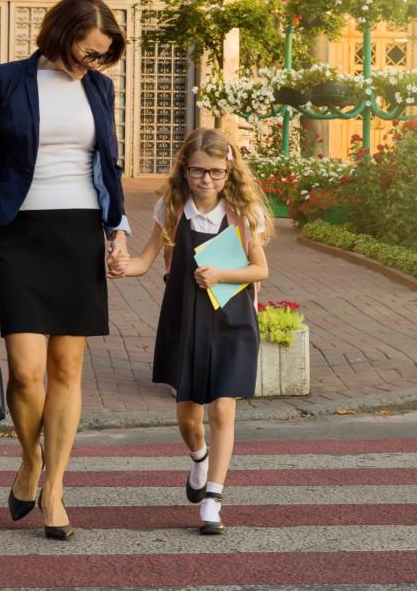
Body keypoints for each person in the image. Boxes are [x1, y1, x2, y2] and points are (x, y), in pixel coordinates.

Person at [0, 0, 130, 541]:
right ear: (61, 31)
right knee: (27, 372)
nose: (91, 62)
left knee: (68, 371)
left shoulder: (99, 88)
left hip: (78, 232)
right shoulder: (5, 80)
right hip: (20, 233)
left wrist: (117, 230)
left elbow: (109, 163)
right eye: (86, 48)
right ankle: (30, 458)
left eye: (100, 55)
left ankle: (53, 487)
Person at [112, 128, 272, 535]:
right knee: (187, 416)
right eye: (199, 171)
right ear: (185, 169)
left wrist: (222, 273)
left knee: (222, 408)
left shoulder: (242, 212)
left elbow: (260, 270)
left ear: (229, 169)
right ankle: (198, 457)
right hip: (184, 319)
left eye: (217, 172)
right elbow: (145, 262)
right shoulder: (172, 207)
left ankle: (213, 501)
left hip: (232, 318)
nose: (207, 180)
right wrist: (117, 266)